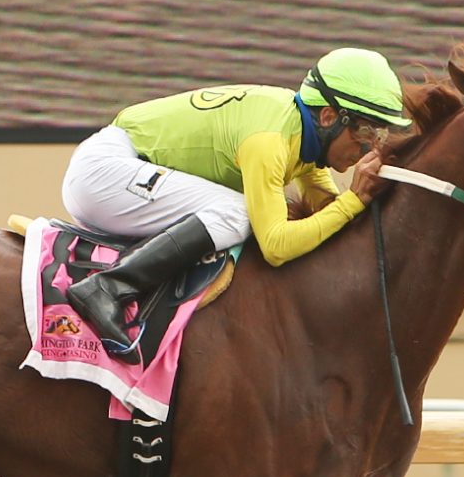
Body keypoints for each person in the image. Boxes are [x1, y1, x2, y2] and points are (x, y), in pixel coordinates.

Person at [61, 47, 413, 350]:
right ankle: (108, 287)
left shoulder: (299, 134)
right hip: (106, 173)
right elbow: (276, 246)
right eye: (366, 131)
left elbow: (327, 207)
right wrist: (353, 200)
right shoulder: (269, 141)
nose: (369, 146)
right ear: (329, 116)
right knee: (237, 212)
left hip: (121, 173)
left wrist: (361, 207)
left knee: (235, 210)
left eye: (380, 134)